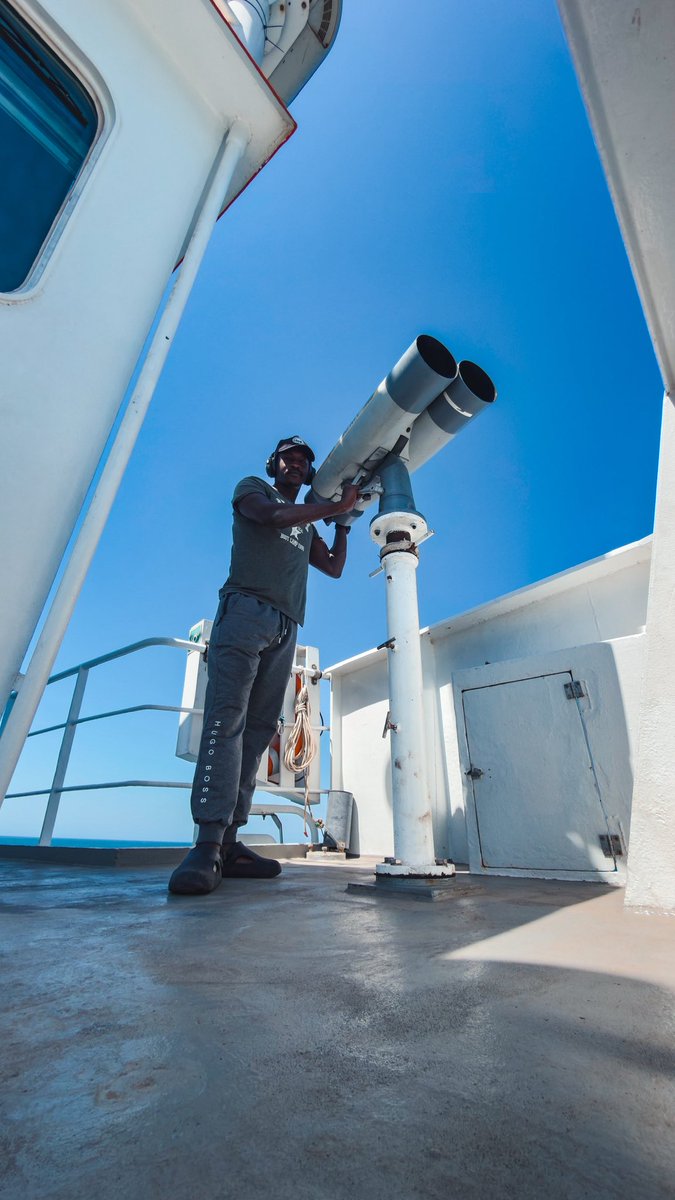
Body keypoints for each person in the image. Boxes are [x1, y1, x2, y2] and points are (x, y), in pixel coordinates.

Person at [169, 436, 359, 895]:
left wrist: (343, 524)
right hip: (245, 611)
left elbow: (333, 568)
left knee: (257, 733)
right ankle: (206, 844)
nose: (296, 463)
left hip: (286, 625)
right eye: (288, 458)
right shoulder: (254, 488)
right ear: (273, 465)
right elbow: (271, 517)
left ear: (309, 473)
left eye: (303, 461)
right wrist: (334, 507)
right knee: (226, 721)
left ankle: (229, 844)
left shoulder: (307, 522)